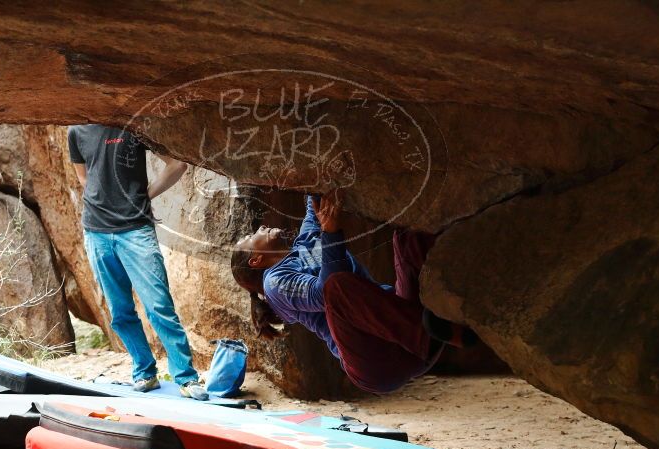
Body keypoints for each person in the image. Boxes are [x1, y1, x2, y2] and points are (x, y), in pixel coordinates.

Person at [231, 191, 475, 394]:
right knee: (335, 287)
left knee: (408, 236)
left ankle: (464, 308)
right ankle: (434, 331)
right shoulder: (275, 283)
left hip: (410, 342)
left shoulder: (305, 243)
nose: (260, 227)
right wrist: (332, 233)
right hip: (378, 364)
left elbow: (314, 202)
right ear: (256, 260)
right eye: (252, 237)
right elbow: (324, 293)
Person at [67, 124, 207, 401]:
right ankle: (144, 372)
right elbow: (84, 178)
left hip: (136, 231)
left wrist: (144, 195)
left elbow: (177, 164)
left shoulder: (133, 125)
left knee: (159, 306)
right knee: (120, 312)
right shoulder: (76, 131)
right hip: (96, 232)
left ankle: (186, 378)